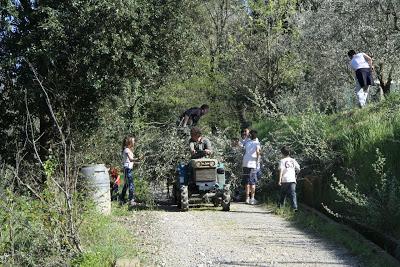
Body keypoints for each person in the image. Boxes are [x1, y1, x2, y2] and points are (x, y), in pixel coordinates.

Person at [278, 146, 300, 211]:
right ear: (289, 152)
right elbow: (298, 168)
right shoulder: (293, 160)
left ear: (282, 153)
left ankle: (280, 207)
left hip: (285, 179)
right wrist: (296, 175)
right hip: (292, 180)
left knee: (283, 194)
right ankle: (294, 208)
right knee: (293, 193)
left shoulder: (282, 161)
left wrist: (279, 180)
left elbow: (281, 170)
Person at [120, 135, 140, 206]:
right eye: (133, 141)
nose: (134, 142)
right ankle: (131, 200)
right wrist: (138, 158)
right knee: (130, 185)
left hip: (129, 169)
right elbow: (131, 160)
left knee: (126, 185)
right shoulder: (127, 150)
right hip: (127, 169)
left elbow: (130, 161)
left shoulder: (129, 150)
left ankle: (122, 199)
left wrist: (137, 163)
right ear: (130, 142)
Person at [242, 130, 261, 205]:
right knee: (253, 182)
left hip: (245, 162)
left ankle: (247, 198)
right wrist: (257, 161)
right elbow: (258, 152)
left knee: (247, 182)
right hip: (252, 163)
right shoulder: (257, 142)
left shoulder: (247, 142)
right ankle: (252, 199)